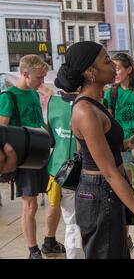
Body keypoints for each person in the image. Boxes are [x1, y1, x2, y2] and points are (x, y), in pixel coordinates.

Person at [54, 41, 134, 259]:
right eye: (106, 61)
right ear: (90, 72)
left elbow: (94, 149)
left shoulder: (96, 104)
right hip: (99, 194)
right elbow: (108, 171)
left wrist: (126, 143)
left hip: (104, 194)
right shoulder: (86, 110)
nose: (113, 66)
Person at [0, 55, 51, 259]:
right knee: (29, 204)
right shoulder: (8, 97)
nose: (42, 81)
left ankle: (45, 242)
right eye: (39, 77)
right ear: (25, 74)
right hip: (23, 159)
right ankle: (33, 250)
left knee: (37, 203)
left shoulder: (33, 93)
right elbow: (1, 131)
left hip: (38, 154)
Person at [45, 91, 85, 259]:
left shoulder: (52, 102)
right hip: (80, 171)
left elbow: (51, 139)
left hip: (58, 170)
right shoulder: (88, 102)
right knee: (76, 223)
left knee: (71, 222)